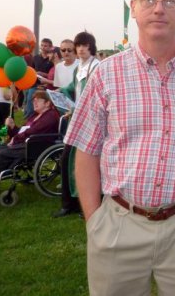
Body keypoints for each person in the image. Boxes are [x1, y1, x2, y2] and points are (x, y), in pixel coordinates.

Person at [64, 0, 175, 295]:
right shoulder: (107, 74)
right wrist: (95, 222)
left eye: (169, 1)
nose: (159, 8)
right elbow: (86, 151)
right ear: (133, 8)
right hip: (120, 221)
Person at [0, 90, 59, 198]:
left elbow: (32, 132)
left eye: (38, 100)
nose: (34, 102)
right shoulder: (35, 116)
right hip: (25, 143)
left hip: (35, 146)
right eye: (33, 100)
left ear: (47, 103)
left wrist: (15, 139)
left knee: (1, 155)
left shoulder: (51, 116)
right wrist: (12, 127)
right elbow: (21, 131)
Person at [52, 32, 100, 218]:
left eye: (84, 45)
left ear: (91, 47)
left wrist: (78, 108)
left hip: (90, 122)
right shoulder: (78, 67)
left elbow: (94, 95)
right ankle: (69, 203)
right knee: (67, 160)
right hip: (77, 119)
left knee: (86, 164)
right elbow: (73, 88)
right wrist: (58, 92)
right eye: (78, 45)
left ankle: (83, 204)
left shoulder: (97, 67)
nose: (80, 49)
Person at [23, 38, 54, 118]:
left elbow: (54, 74)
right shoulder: (36, 58)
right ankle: (29, 121)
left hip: (46, 86)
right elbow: (32, 70)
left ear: (50, 47)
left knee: (42, 107)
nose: (43, 47)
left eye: (46, 46)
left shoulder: (52, 59)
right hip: (34, 84)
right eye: (42, 45)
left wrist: (43, 74)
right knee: (30, 103)